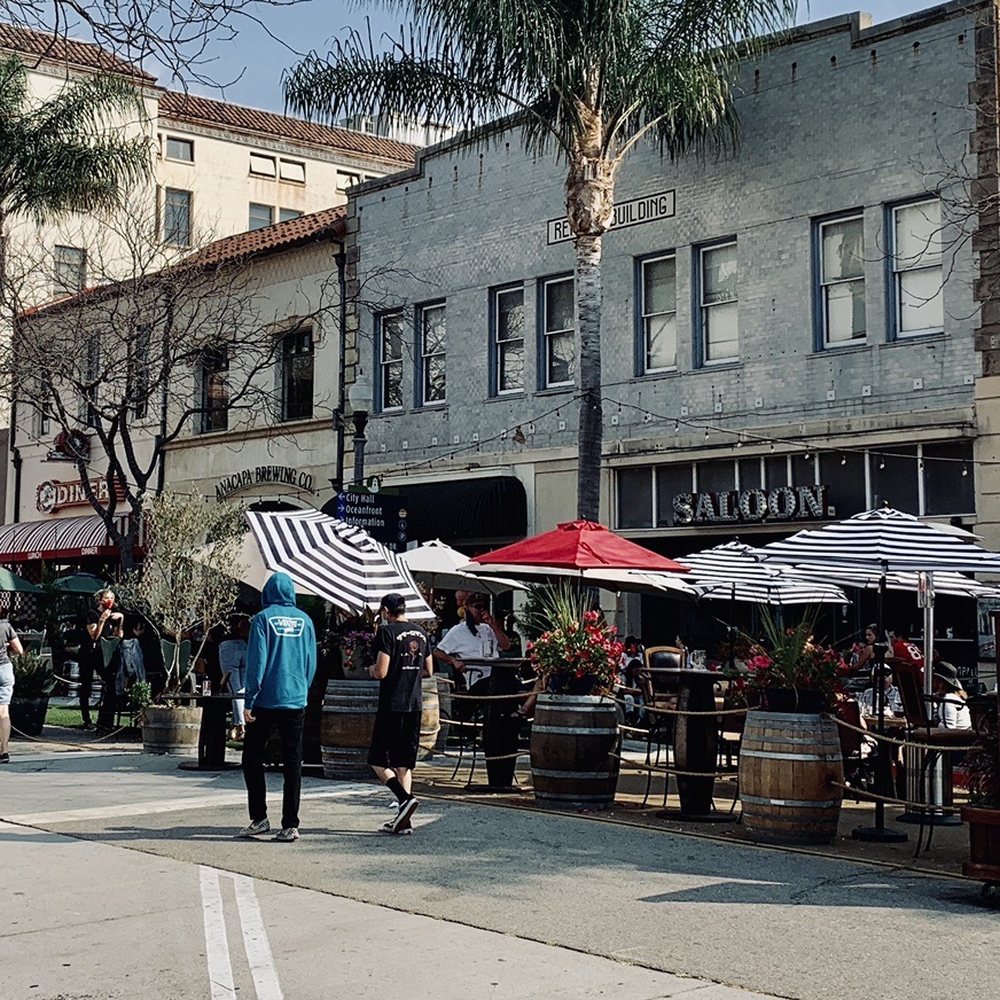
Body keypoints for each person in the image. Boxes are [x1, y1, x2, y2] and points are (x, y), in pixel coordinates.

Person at [239, 572, 317, 843]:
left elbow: (256, 661)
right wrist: (302, 688)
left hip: (265, 699)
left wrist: (249, 700)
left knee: (251, 758)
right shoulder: (306, 621)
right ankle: (290, 824)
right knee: (293, 762)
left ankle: (259, 818)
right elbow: (311, 661)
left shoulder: (262, 619)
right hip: (295, 698)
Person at [368, 592, 434, 835]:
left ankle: (404, 799)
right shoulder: (421, 632)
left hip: (392, 704)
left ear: (386, 610)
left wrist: (371, 670)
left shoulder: (386, 632)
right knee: (404, 763)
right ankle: (403, 820)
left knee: (376, 760)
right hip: (414, 703)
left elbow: (382, 671)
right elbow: (429, 670)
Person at [433, 594, 511, 704]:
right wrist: (453, 661)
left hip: (496, 672)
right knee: (500, 686)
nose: (481, 611)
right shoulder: (458, 630)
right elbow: (437, 652)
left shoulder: (488, 628)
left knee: (514, 684)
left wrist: (493, 625)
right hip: (477, 677)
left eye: (484, 607)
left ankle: (516, 714)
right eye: (478, 607)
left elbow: (506, 645)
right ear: (468, 608)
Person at [85, 589, 125, 734]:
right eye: (106, 598)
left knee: (112, 685)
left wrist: (121, 620)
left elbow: (119, 636)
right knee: (89, 685)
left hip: (110, 653)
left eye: (111, 598)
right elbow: (94, 636)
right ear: (100, 600)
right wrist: (102, 619)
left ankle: (106, 721)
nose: (109, 601)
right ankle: (88, 719)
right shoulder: (92, 614)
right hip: (94, 653)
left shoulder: (113, 615)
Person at [0, 610, 24, 763]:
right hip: (4, 668)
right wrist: (7, 646)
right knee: (3, 711)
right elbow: (19, 650)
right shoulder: (5, 626)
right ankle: (4, 751)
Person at [219, 617, 249, 738]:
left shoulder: (222, 612)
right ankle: (235, 724)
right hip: (244, 644)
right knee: (242, 688)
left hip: (227, 645)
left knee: (234, 690)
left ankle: (240, 725)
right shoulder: (243, 609)